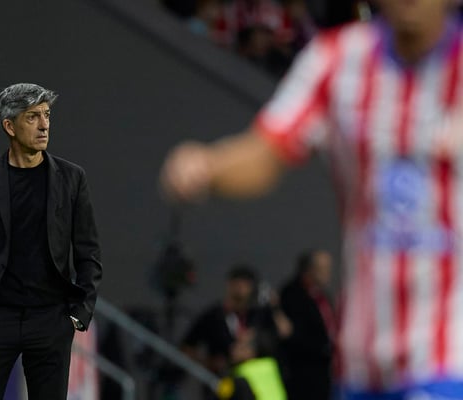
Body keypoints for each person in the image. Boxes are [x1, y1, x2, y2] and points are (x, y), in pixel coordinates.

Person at [160, 0, 463, 398]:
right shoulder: (337, 60)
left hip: (449, 353)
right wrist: (209, 166)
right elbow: (267, 148)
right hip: (363, 359)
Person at [0, 83, 103, 400]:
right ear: (9, 126)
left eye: (47, 115)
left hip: (50, 320)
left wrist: (78, 315)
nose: (44, 125)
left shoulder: (72, 178)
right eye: (32, 117)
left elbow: (88, 253)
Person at [181, 265, 284, 398]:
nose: (240, 289)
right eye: (236, 284)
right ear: (229, 285)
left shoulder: (259, 315)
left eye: (245, 285)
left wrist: (274, 307)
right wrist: (210, 363)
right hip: (223, 383)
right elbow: (187, 347)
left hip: (257, 385)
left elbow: (282, 334)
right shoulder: (213, 316)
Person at [279, 249, 335, 400]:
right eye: (323, 268)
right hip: (303, 376)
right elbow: (291, 334)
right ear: (309, 270)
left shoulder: (322, 296)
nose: (328, 273)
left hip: (324, 373)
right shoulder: (292, 296)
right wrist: (324, 347)